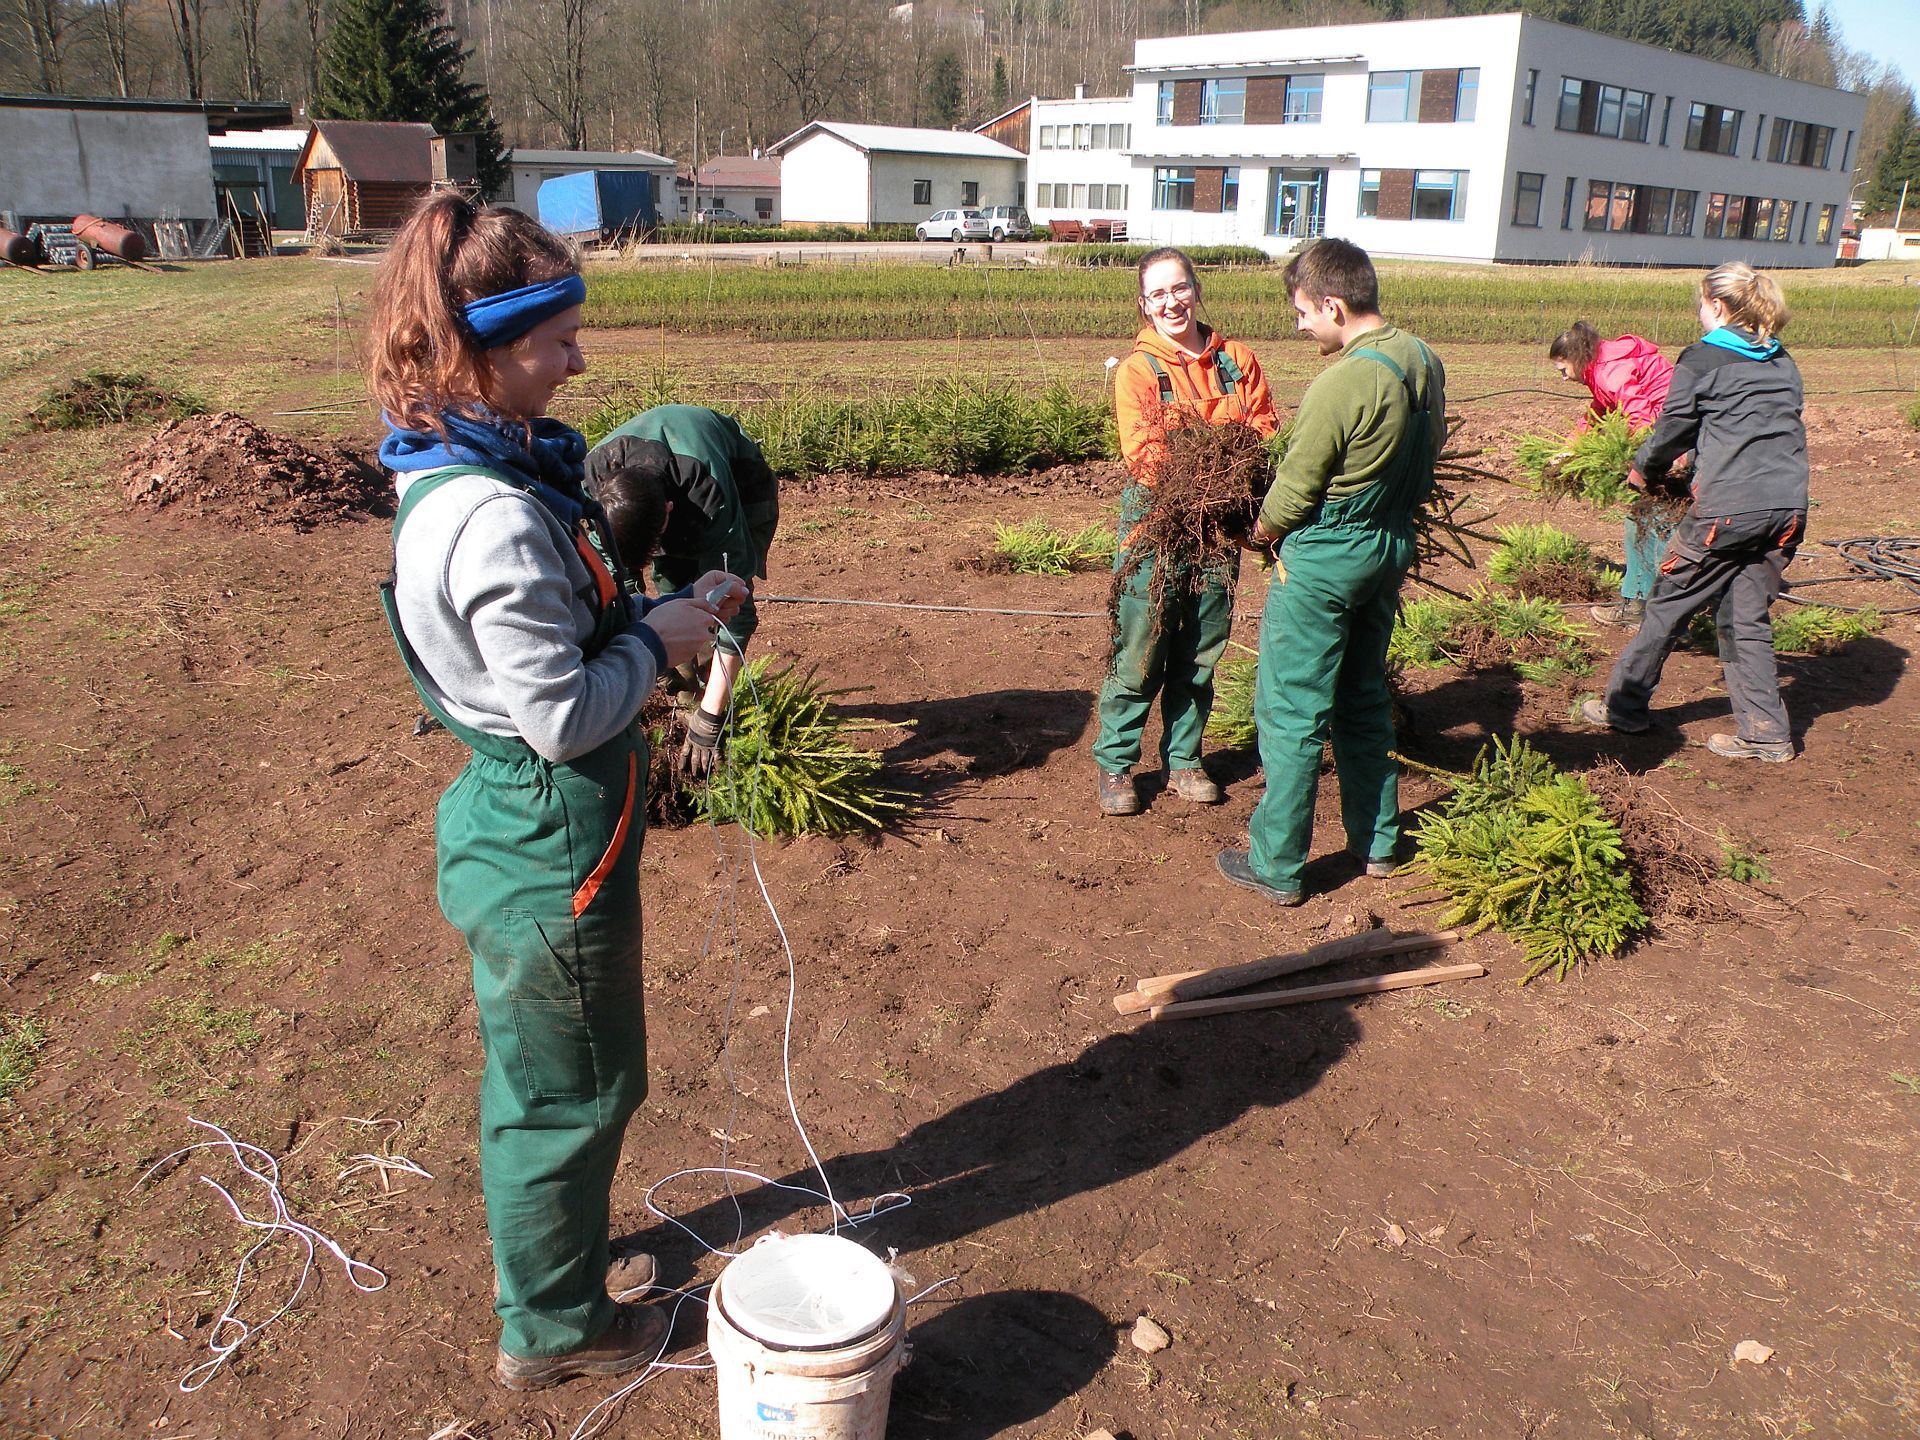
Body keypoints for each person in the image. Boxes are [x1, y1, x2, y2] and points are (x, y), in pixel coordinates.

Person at [368, 193, 746, 1391]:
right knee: (570, 1093)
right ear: (481, 349)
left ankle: (560, 1271)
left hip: (530, 822)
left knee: (548, 1076)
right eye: (558, 341)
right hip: (546, 833)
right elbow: (565, 715)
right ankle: (556, 1328)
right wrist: (660, 643)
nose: (580, 362)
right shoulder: (490, 519)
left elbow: (552, 649)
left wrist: (650, 614)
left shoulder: (472, 466)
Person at [1217, 238, 1445, 907]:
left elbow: (1296, 488)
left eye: (1303, 313)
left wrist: (1260, 534)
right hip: (1389, 546)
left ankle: (1277, 864)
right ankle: (1377, 843)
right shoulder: (1422, 359)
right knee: (1363, 695)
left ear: (1334, 305)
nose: (1300, 326)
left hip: (1327, 558)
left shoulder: (1343, 381)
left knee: (1290, 709)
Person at [1579, 262, 1808, 763]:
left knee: (1667, 604)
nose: (1700, 312)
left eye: (1702, 303)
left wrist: (1645, 470)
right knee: (1745, 618)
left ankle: (1624, 707)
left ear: (1718, 305)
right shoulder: (1781, 359)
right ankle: (1766, 734)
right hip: (1787, 509)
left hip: (1727, 511)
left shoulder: (1704, 357)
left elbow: (1673, 427)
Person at [1093, 246, 1279, 816]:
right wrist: (1203, 483)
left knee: (1201, 648)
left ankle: (1185, 760)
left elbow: (1265, 428)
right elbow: (1144, 454)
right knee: (1141, 645)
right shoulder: (1138, 370)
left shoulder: (1237, 361)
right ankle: (1117, 763)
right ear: (1144, 305)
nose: (1170, 302)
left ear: (1196, 291)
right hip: (1159, 522)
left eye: (1179, 288)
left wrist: (1230, 490)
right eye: (1157, 294)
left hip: (1219, 529)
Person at [588, 405, 780, 776]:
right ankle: (685, 693)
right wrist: (651, 654)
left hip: (737, 485)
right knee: (670, 584)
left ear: (668, 511)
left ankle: (713, 702)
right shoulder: (595, 489)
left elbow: (736, 612)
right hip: (648, 500)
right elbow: (616, 590)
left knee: (714, 599)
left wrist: (709, 718)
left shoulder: (709, 494)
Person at [1548, 321, 1677, 627]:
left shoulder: (1609, 372)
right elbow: (1598, 411)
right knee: (1647, 521)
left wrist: (1639, 464)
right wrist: (1570, 448)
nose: (1563, 378)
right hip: (1674, 436)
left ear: (1576, 357)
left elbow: (1642, 420)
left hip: (1674, 442)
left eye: (1563, 370)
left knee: (1652, 522)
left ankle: (1657, 611)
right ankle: (1650, 605)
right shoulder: (1605, 363)